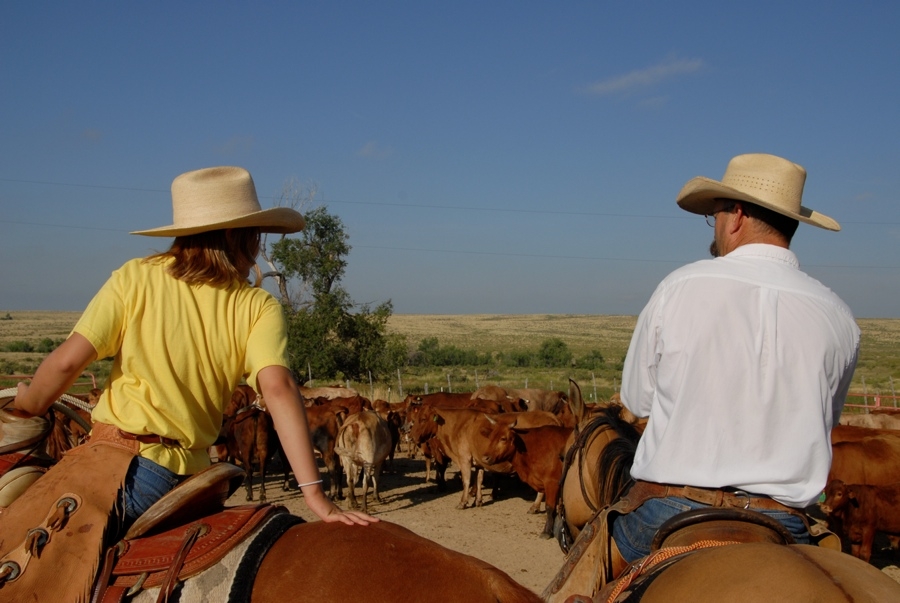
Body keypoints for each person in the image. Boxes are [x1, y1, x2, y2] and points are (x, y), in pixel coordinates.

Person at [3, 166, 376, 600]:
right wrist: (316, 497)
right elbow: (277, 389)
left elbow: (67, 363)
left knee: (14, 549)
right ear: (246, 236)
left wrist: (27, 405)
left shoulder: (134, 278)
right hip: (198, 480)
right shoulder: (256, 306)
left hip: (124, 468)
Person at [609, 153, 860, 567]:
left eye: (715, 215)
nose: (716, 226)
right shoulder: (839, 316)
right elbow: (825, 420)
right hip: (785, 521)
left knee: (584, 575)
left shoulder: (679, 287)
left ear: (737, 215)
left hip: (670, 513)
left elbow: (638, 401)